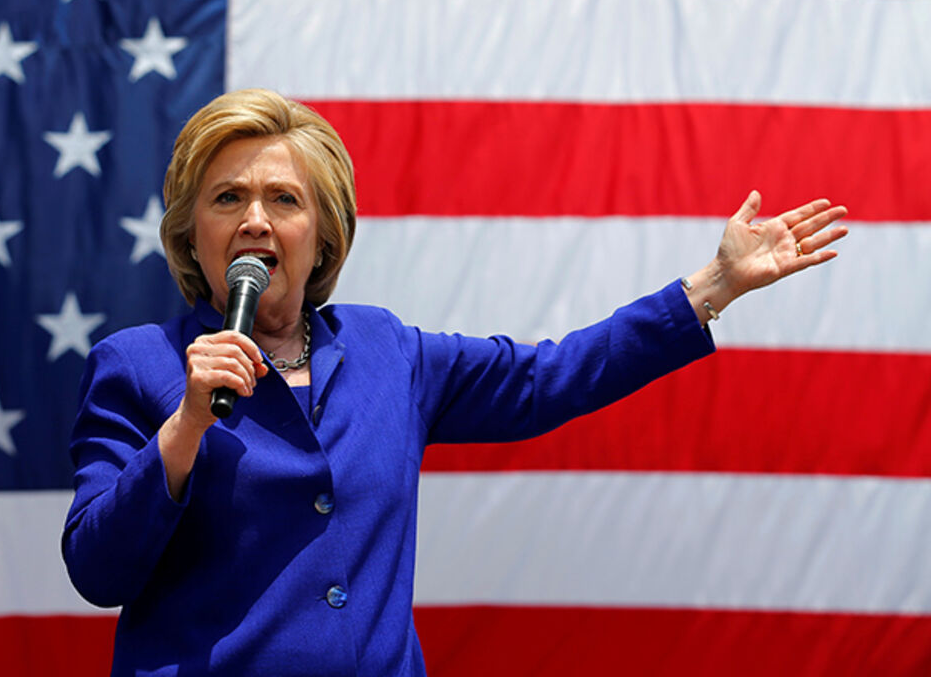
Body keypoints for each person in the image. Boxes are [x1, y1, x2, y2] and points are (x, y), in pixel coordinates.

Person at [60, 89, 848, 676]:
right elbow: (98, 572)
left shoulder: (385, 352)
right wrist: (186, 427)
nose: (256, 220)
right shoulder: (140, 366)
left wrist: (713, 284)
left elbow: (551, 378)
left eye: (284, 199)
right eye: (227, 198)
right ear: (192, 235)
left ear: (324, 233)